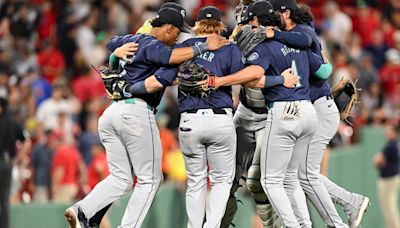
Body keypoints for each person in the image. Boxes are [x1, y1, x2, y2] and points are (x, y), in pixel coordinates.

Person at [64, 5, 229, 228]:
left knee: (121, 178)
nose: (178, 36)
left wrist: (114, 53)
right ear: (168, 28)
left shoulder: (132, 40)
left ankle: (82, 210)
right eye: (177, 31)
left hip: (112, 113)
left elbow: (112, 41)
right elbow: (168, 60)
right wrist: (203, 47)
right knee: (151, 179)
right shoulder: (154, 45)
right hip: (136, 112)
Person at [0, 97, 30, 228]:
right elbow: (26, 140)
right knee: (4, 199)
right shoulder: (13, 122)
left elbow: (26, 141)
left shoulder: (10, 122)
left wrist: (18, 158)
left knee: (4, 199)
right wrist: (16, 159)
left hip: (4, 162)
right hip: (6, 163)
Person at [373, 125, 400, 228]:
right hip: (394, 177)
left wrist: (380, 161)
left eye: (389, 131)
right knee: (390, 206)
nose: (387, 133)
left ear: (394, 132)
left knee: (389, 208)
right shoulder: (397, 144)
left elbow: (377, 160)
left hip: (388, 180)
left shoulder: (391, 145)